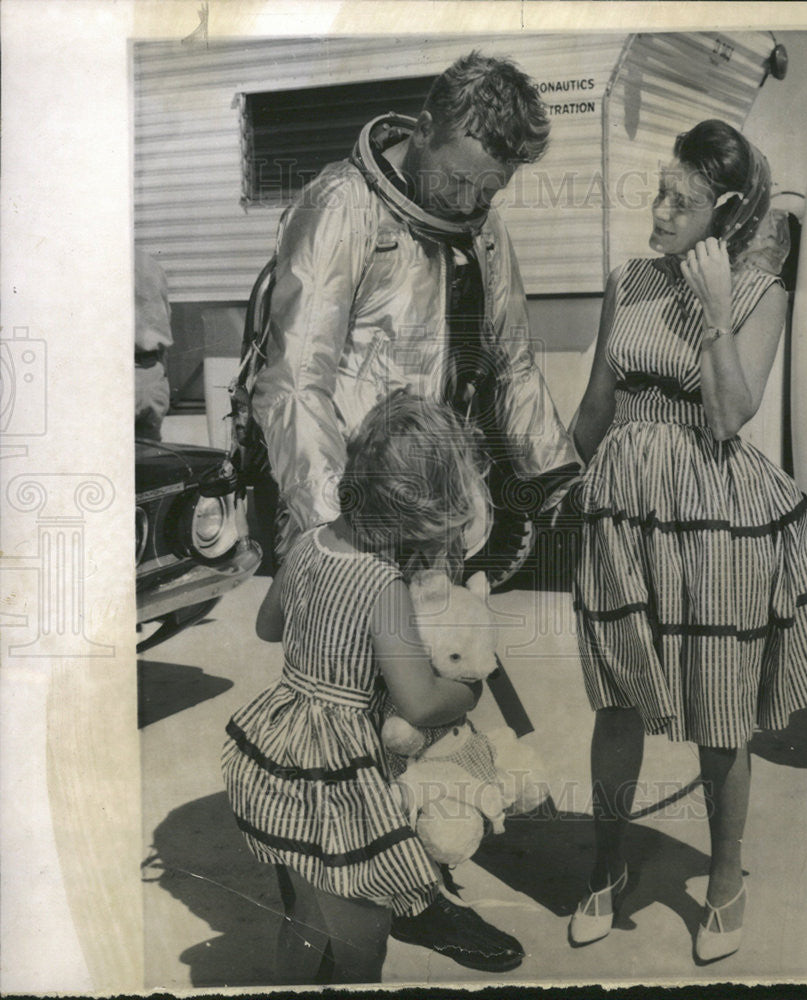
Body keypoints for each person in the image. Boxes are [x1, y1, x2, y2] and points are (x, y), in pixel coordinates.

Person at [247, 52, 580, 967]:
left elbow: (510, 360)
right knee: (337, 716)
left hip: (428, 506)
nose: (474, 200)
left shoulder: (477, 223)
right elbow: (293, 383)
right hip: (344, 503)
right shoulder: (341, 206)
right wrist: (328, 535)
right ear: (429, 126)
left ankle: (413, 886)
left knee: (420, 715)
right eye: (464, 178)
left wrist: (556, 476)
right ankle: (325, 907)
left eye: (491, 187)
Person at [568, 120, 807, 963]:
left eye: (683, 202)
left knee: (717, 701)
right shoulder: (625, 280)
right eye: (660, 192)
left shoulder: (759, 290)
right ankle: (606, 865)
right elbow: (596, 407)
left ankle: (726, 879)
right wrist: (547, 490)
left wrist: (709, 311)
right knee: (617, 695)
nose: (660, 212)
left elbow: (732, 412)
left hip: (713, 508)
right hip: (623, 507)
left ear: (727, 213)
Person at [223, 392, 509, 984]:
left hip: (280, 754)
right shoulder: (383, 586)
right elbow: (420, 703)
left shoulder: (307, 544)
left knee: (306, 911)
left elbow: (267, 627)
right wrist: (469, 690)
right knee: (362, 929)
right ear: (420, 508)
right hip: (340, 778)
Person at [134, 249, 173, 440]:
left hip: (114, 378)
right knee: (150, 462)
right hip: (152, 375)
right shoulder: (148, 263)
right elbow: (165, 318)